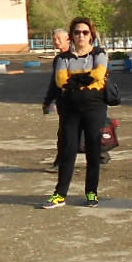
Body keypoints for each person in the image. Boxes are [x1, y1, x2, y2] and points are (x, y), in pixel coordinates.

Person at [41, 17, 111, 208]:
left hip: (95, 109)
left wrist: (74, 80)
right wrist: (86, 78)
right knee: (68, 151)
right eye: (77, 32)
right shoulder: (63, 58)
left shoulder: (99, 54)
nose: (81, 35)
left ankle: (91, 192)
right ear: (71, 36)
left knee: (93, 152)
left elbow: (99, 74)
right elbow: (61, 81)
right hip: (70, 110)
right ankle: (60, 194)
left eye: (85, 32)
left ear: (91, 36)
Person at [43, 27, 71, 169]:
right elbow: (54, 82)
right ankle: (60, 162)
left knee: (70, 132)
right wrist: (48, 101)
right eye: (54, 39)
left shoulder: (77, 56)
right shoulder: (58, 59)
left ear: (68, 39)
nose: (56, 41)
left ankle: (101, 155)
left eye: (59, 39)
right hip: (63, 101)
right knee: (64, 132)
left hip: (77, 99)